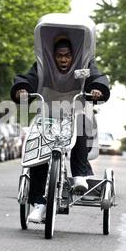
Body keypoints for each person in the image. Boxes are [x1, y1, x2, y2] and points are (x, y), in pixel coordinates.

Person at [10, 36, 110, 223]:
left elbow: (97, 77)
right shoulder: (43, 67)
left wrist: (97, 88)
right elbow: (28, 79)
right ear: (53, 56)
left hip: (75, 114)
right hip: (49, 116)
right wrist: (21, 89)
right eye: (59, 56)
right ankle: (39, 205)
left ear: (73, 57)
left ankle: (80, 174)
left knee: (79, 124)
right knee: (39, 151)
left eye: (67, 56)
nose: (63, 60)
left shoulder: (84, 67)